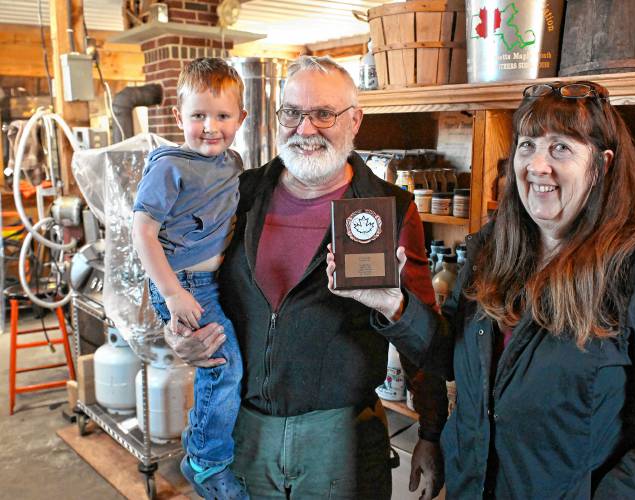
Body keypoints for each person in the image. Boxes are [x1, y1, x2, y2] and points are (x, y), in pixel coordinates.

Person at [327, 80, 635, 498]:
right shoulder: (493, 248)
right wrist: (395, 305)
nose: (537, 165)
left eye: (561, 148)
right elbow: (451, 354)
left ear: (602, 165)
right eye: (528, 144)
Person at [164, 55, 448, 499]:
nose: (305, 128)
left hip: (341, 445)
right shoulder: (239, 194)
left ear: (355, 121)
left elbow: (428, 346)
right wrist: (179, 334)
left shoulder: (389, 208)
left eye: (323, 114)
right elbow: (191, 278)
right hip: (243, 433)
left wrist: (430, 433)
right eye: (292, 113)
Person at [132, 58, 249, 499]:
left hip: (211, 282)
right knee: (222, 366)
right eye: (198, 115)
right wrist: (172, 293)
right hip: (185, 285)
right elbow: (142, 231)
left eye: (221, 115)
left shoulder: (231, 163)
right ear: (178, 117)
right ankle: (205, 460)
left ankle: (211, 451)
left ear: (241, 119)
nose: (209, 127)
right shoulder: (169, 167)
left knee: (228, 364)